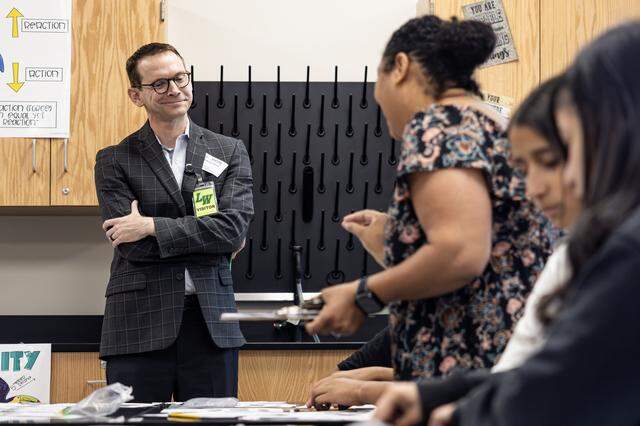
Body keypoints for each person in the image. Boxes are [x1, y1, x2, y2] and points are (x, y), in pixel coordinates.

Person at [377, 21, 640, 426]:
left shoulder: (628, 250)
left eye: (569, 152)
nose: (560, 181)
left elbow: (561, 381)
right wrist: (438, 393)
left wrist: (463, 410)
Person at [306, 15, 555, 383]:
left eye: (379, 77)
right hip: (504, 367)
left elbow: (459, 252)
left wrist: (363, 295)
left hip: (468, 376)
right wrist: (396, 240)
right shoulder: (490, 124)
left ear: (401, 67)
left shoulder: (438, 125)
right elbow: (488, 251)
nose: (377, 95)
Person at [94, 42, 253, 402]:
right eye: (160, 83)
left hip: (211, 321)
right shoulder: (115, 160)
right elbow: (131, 245)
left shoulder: (228, 151)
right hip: (138, 325)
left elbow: (232, 231)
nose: (175, 89)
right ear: (136, 95)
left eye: (180, 77)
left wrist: (151, 225)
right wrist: (203, 237)